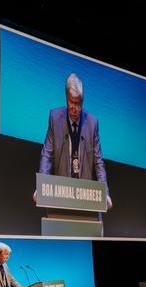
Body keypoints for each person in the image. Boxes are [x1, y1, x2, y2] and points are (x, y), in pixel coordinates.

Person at [38, 73, 112, 210]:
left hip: (85, 196)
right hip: (61, 194)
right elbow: (47, 155)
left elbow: (98, 162)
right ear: (66, 99)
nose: (75, 108)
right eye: (72, 103)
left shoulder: (92, 123)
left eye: (78, 104)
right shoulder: (55, 118)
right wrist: (42, 184)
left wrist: (105, 194)